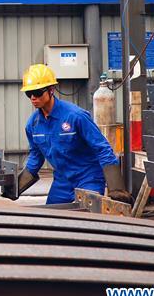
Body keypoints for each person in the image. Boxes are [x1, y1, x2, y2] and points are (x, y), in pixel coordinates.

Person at [17, 64, 133, 205]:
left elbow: (102, 148)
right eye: (29, 94)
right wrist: (16, 187)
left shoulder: (76, 116)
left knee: (87, 218)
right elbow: (36, 156)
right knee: (51, 220)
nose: (33, 98)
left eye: (37, 92)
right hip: (62, 181)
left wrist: (116, 188)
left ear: (51, 90)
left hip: (88, 178)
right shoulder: (33, 125)